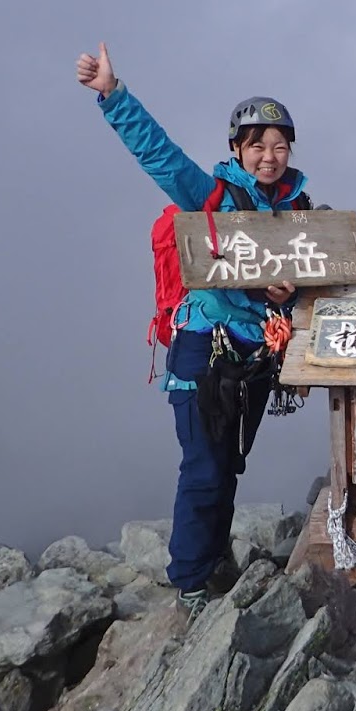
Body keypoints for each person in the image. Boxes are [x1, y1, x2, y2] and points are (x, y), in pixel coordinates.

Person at [75, 42, 313, 616]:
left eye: (279, 146)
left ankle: (210, 561)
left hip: (256, 355)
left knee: (228, 463)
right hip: (205, 345)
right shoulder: (212, 195)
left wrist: (291, 295)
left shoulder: (301, 210)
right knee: (205, 466)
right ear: (236, 149)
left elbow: (315, 278)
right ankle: (189, 583)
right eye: (257, 145)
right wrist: (113, 95)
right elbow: (159, 155)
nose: (269, 157)